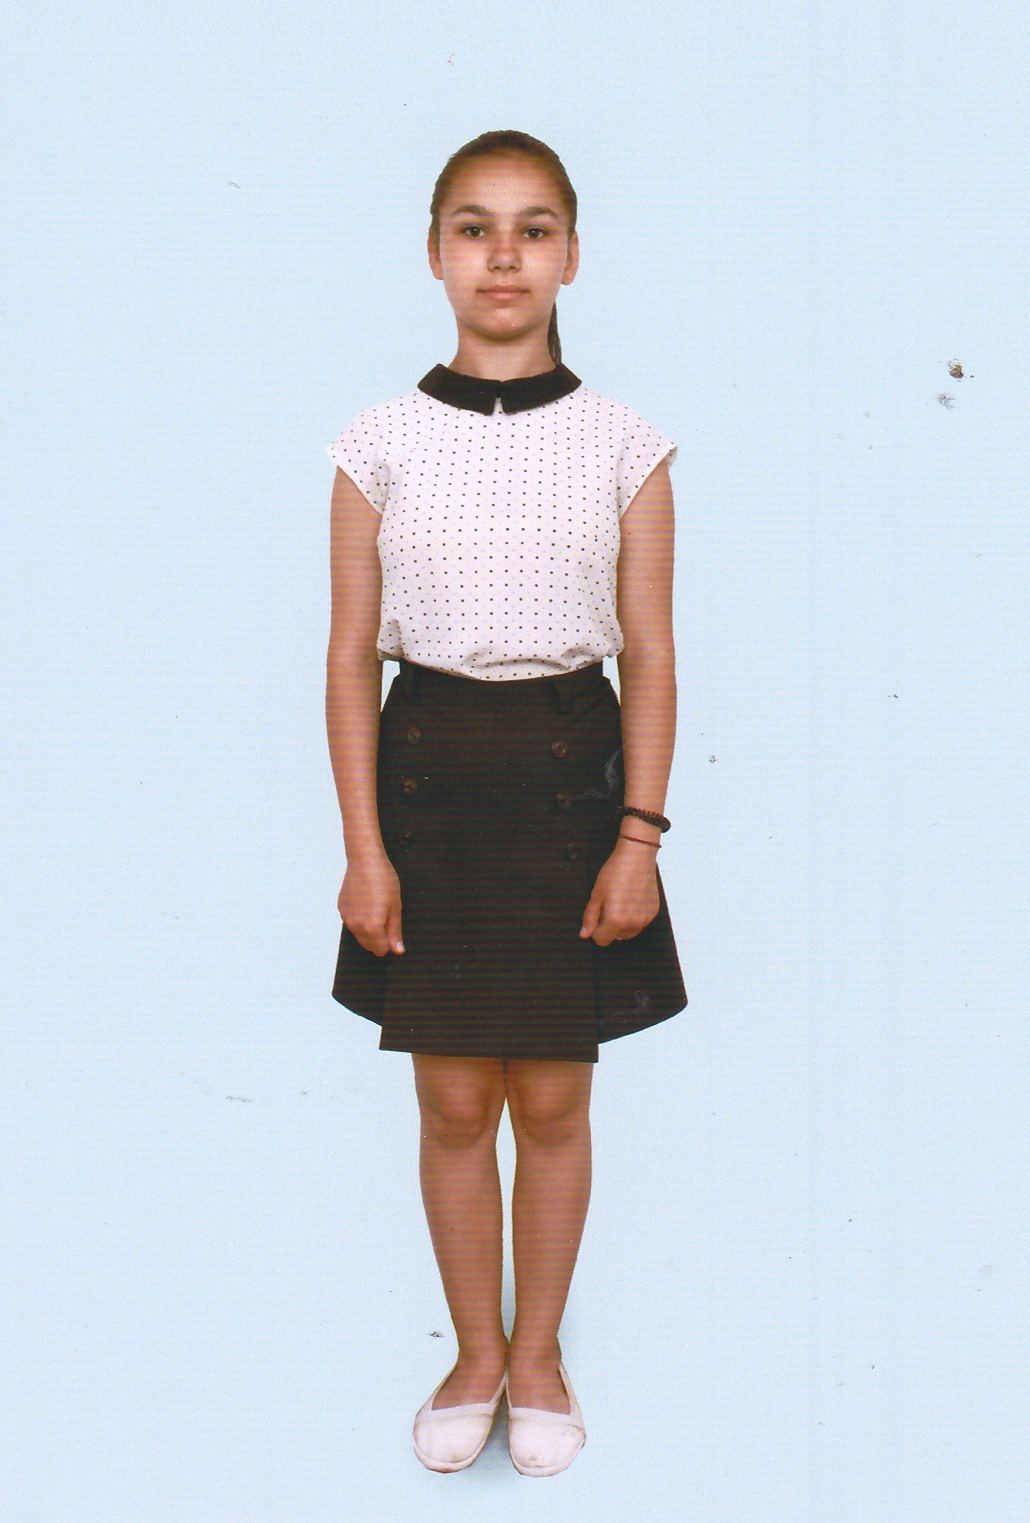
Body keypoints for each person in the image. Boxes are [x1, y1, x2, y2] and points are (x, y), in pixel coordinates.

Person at [324, 130, 687, 1477]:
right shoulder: (375, 443)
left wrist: (638, 836)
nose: (503, 257)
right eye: (474, 229)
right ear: (434, 254)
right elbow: (346, 660)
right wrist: (363, 849)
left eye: (534, 230)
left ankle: (539, 1357)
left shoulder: (627, 446)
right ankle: (475, 1351)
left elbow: (650, 654)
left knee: (552, 1100)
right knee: (452, 1103)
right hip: (429, 782)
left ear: (571, 258)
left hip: (568, 782)